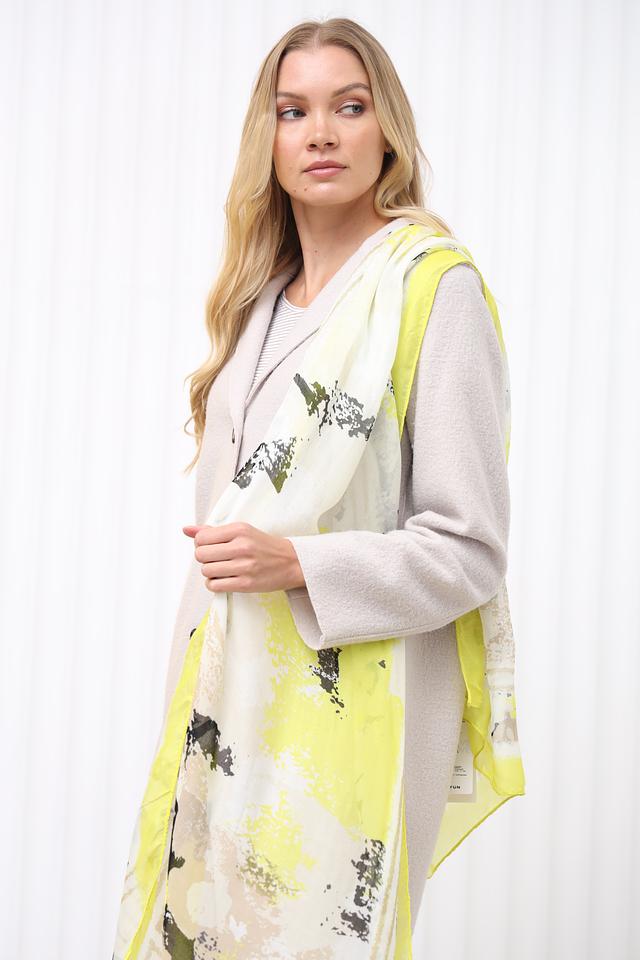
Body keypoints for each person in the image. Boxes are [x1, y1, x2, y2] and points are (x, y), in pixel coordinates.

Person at [112, 16, 525, 959]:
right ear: (268, 139)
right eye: (293, 111)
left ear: (389, 131)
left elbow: (471, 547)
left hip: (357, 716)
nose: (322, 133)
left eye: (350, 105)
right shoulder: (256, 302)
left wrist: (300, 563)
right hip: (224, 702)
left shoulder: (432, 290)